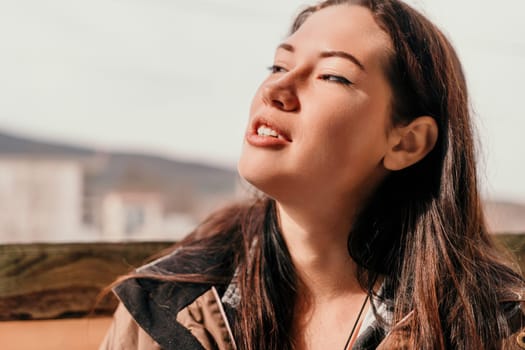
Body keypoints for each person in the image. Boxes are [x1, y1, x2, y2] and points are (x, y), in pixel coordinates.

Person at [99, 0, 525, 349]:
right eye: (279, 67)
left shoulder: (492, 328)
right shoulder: (164, 307)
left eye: (332, 76)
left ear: (406, 143)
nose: (275, 91)